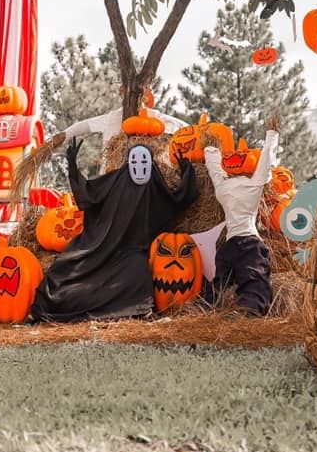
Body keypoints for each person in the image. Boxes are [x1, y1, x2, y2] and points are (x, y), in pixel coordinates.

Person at [30, 138, 198, 322]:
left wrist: (187, 170)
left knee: (138, 270)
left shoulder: (156, 187)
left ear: (151, 163)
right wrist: (73, 168)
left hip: (132, 252)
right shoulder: (115, 181)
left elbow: (178, 200)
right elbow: (88, 196)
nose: (139, 166)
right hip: (102, 246)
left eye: (144, 161)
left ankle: (135, 310)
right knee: (65, 271)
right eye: (135, 161)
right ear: (128, 163)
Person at [203, 114, 280, 317]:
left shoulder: (223, 187)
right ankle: (250, 313)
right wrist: (272, 135)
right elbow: (265, 162)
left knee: (220, 279)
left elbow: (214, 170)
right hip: (250, 243)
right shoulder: (254, 185)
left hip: (230, 244)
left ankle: (204, 308)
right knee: (254, 280)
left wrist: (210, 147)